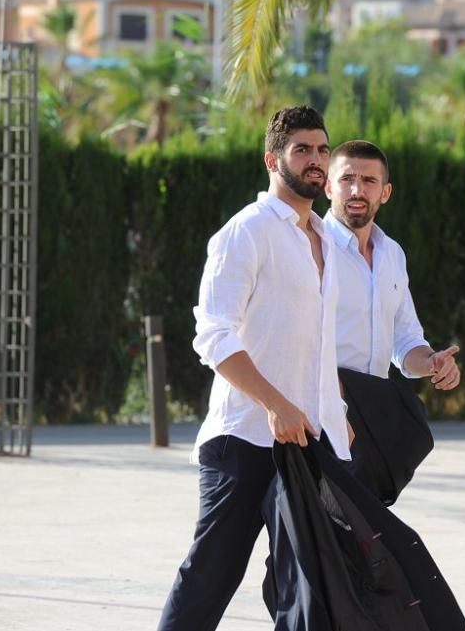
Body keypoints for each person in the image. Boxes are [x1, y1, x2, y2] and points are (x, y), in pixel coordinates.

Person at [156, 105, 351, 631]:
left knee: (313, 582)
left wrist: (336, 406)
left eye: (322, 149)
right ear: (273, 159)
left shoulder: (328, 239)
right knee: (209, 580)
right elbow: (213, 335)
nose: (316, 160)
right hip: (244, 441)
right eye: (302, 149)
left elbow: (315, 339)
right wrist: (275, 404)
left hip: (312, 442)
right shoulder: (246, 232)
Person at [323, 139, 461, 392]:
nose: (357, 190)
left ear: (385, 193)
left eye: (369, 181)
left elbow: (405, 340)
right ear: (328, 187)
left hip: (373, 406)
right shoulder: (311, 247)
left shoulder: (392, 254)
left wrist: (433, 362)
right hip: (319, 410)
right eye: (347, 179)